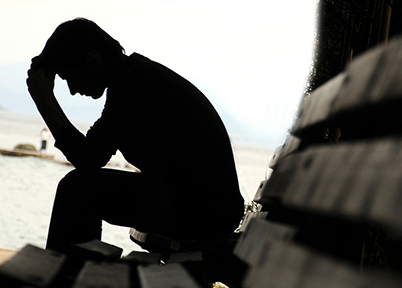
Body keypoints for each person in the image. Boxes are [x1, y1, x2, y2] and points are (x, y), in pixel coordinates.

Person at [27, 18, 244, 253]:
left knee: (77, 190)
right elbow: (90, 153)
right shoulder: (133, 78)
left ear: (93, 60)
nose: (72, 90)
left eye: (69, 77)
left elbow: (88, 158)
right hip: (202, 206)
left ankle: (64, 272)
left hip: (204, 211)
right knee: (78, 187)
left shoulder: (134, 83)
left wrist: (44, 100)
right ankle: (71, 269)